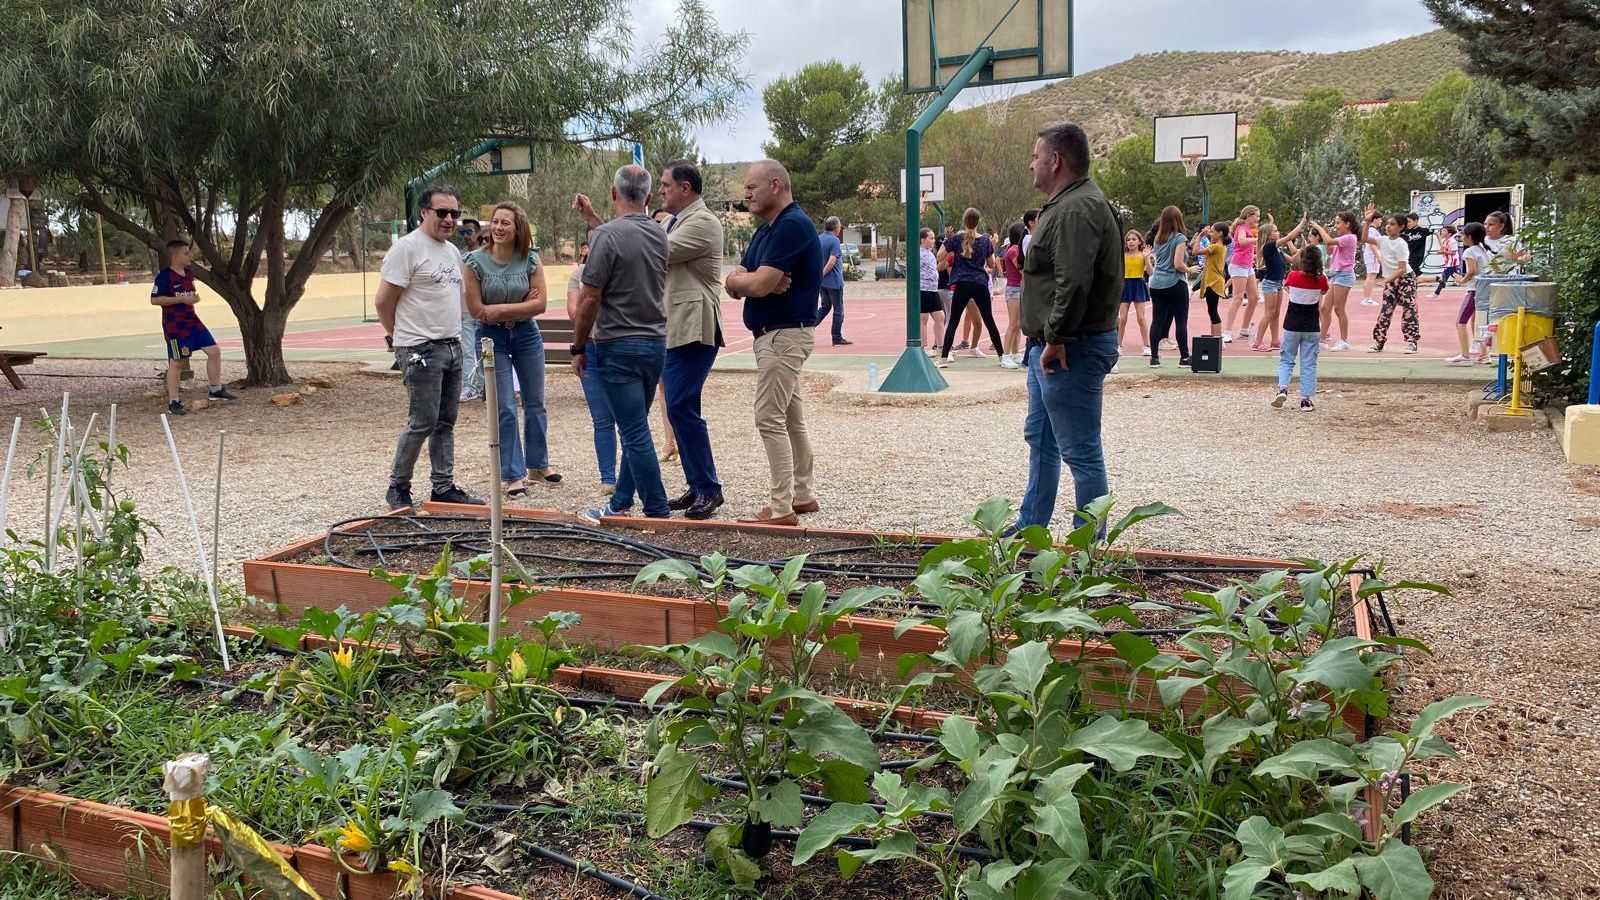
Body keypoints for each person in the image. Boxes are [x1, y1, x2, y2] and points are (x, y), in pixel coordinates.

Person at [1013, 122, 1122, 533]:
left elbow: (1073, 281)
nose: (1031, 164)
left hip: (1069, 348)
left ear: (1055, 161)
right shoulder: (1069, 204)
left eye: (1035, 157)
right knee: (1041, 441)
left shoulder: (1077, 209)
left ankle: (1090, 546)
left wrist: (1056, 337)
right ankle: (1030, 526)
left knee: (1081, 451)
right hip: (1051, 346)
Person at [571, 166, 672, 522]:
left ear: (613, 193)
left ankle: (658, 509)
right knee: (638, 426)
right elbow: (621, 237)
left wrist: (578, 346)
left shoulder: (605, 237)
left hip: (618, 345)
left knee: (632, 430)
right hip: (655, 343)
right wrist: (594, 218)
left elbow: (589, 299)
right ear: (647, 197)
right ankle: (620, 503)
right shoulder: (659, 234)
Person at [724, 160, 823, 526]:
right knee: (792, 419)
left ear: (776, 185)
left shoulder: (792, 225)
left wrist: (752, 281)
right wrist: (743, 281)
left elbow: (760, 284)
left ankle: (780, 508)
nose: (746, 193)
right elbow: (738, 280)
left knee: (769, 417)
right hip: (775, 335)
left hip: (783, 335)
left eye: (752, 187)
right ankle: (803, 494)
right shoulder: (766, 230)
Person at [375, 184, 481, 511]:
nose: (450, 219)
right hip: (420, 349)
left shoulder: (451, 252)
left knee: (445, 420)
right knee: (422, 420)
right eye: (442, 213)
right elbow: (383, 301)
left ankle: (443, 486)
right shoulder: (407, 249)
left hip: (451, 347)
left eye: (454, 213)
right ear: (424, 213)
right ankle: (398, 486)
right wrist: (399, 339)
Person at [461, 201, 558, 499]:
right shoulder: (474, 262)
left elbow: (540, 305)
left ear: (518, 229)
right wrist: (518, 306)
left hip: (527, 334)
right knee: (504, 406)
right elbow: (477, 310)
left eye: (507, 223)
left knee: (535, 402)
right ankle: (513, 474)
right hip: (491, 338)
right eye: (496, 222)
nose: (500, 227)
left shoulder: (530, 260)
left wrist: (499, 309)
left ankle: (538, 464)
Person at [655, 158, 726, 520]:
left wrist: (627, 221)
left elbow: (658, 252)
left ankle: (709, 489)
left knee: (681, 404)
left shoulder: (703, 222)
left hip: (695, 327)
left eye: (666, 185)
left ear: (686, 188)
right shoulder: (674, 221)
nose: (661, 190)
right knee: (680, 407)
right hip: (675, 327)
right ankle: (698, 485)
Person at [150, 239, 236, 416]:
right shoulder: (165, 277)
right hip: (175, 326)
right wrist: (180, 300)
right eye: (186, 253)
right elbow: (155, 299)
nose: (190, 256)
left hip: (193, 321)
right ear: (175, 256)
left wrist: (194, 298)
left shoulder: (188, 275)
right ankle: (174, 401)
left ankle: (215, 389)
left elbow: (191, 295)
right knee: (176, 362)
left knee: (214, 351)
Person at [566, 231, 620, 493]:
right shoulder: (579, 274)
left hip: (617, 347)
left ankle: (630, 478)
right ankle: (608, 478)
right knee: (601, 419)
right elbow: (575, 314)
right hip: (590, 348)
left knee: (628, 418)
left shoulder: (621, 270)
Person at [936, 208, 1007, 367]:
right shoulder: (984, 241)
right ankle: (1002, 356)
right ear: (978, 221)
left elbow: (939, 257)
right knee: (989, 320)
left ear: (964, 220)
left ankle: (943, 358)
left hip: (961, 283)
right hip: (979, 283)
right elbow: (990, 264)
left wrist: (947, 240)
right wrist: (991, 247)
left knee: (954, 320)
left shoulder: (955, 239)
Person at [1273, 243, 1329, 412]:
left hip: (1291, 324)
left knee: (1286, 359)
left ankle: (1282, 388)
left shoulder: (1293, 276)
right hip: (1311, 326)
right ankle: (1306, 399)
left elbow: (1287, 287)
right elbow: (1324, 292)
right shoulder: (1321, 280)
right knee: (1309, 363)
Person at [1147, 205, 1194, 368]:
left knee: (1157, 320)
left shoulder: (1158, 239)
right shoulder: (1179, 238)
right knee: (1181, 321)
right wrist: (1191, 269)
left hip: (1157, 283)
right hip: (1175, 282)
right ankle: (1184, 357)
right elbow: (1178, 264)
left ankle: (1154, 357)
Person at [1367, 214, 1420, 354]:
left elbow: (1402, 268)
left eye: (1392, 224)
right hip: (1391, 280)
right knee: (1386, 311)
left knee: (1409, 309)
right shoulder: (1382, 240)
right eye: (1388, 223)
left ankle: (1411, 342)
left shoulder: (1401, 244)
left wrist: (1387, 280)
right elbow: (1364, 238)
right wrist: (1367, 221)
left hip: (1406, 279)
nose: (1388, 226)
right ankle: (1379, 341)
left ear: (1401, 227)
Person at [1312, 211, 1361, 351]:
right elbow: (1329, 250)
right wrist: (1326, 233)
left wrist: (1320, 229)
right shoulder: (1342, 238)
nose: (1336, 225)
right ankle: (1321, 340)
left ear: (1348, 224)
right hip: (1336, 275)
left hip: (1344, 275)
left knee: (1339, 308)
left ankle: (1344, 340)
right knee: (1324, 308)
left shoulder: (1350, 238)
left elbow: (1327, 241)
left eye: (1338, 222)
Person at [1446, 221, 1492, 365]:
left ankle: (1465, 355)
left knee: (1460, 322)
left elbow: (1471, 271)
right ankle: (1484, 354)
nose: (1461, 237)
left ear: (1470, 237)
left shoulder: (1469, 251)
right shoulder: (1482, 250)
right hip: (1485, 290)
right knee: (1480, 322)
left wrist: (1462, 280)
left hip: (1474, 290)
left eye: (1463, 235)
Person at [1222, 205, 1261, 343]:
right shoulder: (1241, 228)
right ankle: (1226, 331)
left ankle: (1244, 329)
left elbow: (1248, 246)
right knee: (1238, 298)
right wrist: (1258, 240)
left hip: (1247, 265)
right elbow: (1242, 241)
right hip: (1238, 265)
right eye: (1256, 216)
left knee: (1254, 297)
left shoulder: (1249, 229)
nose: (1258, 219)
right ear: (1249, 215)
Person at [458, 218, 486, 402]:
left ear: (477, 234)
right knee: (467, 350)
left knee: (483, 350)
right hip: (465, 311)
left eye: (469, 232)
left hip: (484, 311)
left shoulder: (486, 255)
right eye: (463, 233)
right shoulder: (458, 256)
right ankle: (469, 386)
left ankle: (484, 386)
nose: (466, 236)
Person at [814, 216, 850, 345]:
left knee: (825, 307)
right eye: (840, 226)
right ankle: (836, 337)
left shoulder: (819, 238)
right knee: (838, 310)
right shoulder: (834, 241)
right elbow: (832, 261)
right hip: (834, 282)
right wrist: (822, 274)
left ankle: (808, 327)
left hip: (822, 284)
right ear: (836, 228)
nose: (840, 228)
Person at [1118, 230, 1152, 356]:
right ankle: (1118, 345)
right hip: (1125, 285)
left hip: (1138, 284)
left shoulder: (1142, 255)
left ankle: (1147, 346)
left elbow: (1150, 272)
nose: (1131, 242)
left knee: (1141, 318)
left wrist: (1147, 258)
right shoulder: (1122, 256)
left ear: (1139, 241)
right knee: (1123, 318)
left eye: (1133, 239)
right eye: (1128, 240)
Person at [1000, 222, 1027, 368]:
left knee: (1018, 324)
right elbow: (1021, 268)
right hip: (1014, 289)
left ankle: (1015, 353)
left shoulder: (1016, 249)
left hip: (1018, 289)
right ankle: (1006, 355)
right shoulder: (1014, 250)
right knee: (1013, 323)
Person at [917, 228, 947, 358]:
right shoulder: (918, 253)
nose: (933, 241)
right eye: (931, 238)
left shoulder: (930, 253)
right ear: (923, 239)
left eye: (934, 238)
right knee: (923, 319)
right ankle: (923, 348)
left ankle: (941, 347)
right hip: (923, 290)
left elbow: (936, 267)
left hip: (933, 290)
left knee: (940, 317)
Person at [1196, 222, 1229, 338]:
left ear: (1220, 233)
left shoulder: (1216, 247)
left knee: (1213, 311)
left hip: (1213, 282)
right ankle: (1214, 336)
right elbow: (1192, 245)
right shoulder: (1219, 246)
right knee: (1212, 310)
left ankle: (1218, 338)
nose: (1210, 233)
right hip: (1214, 280)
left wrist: (1200, 237)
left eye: (1212, 231)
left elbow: (1195, 252)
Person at [1358, 208, 1383, 306]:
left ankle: (1366, 296)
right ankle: (1366, 298)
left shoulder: (1372, 230)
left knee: (1371, 275)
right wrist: (1378, 256)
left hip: (1371, 255)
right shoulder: (1372, 230)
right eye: (1380, 219)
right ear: (1375, 219)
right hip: (1372, 255)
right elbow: (1371, 244)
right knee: (1371, 276)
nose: (1381, 221)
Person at [1431, 224, 1459, 297]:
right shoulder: (1443, 240)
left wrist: (1443, 252)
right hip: (1447, 262)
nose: (1442, 232)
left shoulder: (1452, 241)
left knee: (1444, 277)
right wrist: (1441, 250)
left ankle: (1436, 293)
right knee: (1457, 276)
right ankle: (1472, 278)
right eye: (1442, 230)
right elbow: (1442, 249)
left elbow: (1453, 252)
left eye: (1444, 231)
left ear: (1449, 234)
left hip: (1452, 262)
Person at [1403, 212, 1431, 277]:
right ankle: (1436, 279)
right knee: (1413, 276)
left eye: (1409, 221)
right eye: (1407, 222)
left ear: (1416, 221)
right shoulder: (1406, 231)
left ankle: (1436, 279)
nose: (1408, 224)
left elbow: (1435, 232)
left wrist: (1441, 244)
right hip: (1409, 256)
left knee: (1411, 275)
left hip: (1418, 256)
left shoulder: (1422, 230)